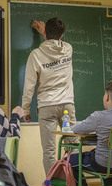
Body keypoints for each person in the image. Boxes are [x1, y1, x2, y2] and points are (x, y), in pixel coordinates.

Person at [22, 17, 76, 174]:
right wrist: (46, 33)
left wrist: (26, 109)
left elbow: (29, 84)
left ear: (44, 32)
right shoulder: (68, 49)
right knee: (73, 147)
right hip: (67, 108)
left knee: (49, 152)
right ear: (61, 36)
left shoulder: (36, 55)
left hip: (47, 109)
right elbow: (54, 42)